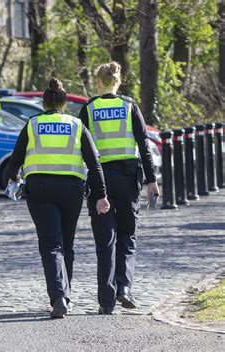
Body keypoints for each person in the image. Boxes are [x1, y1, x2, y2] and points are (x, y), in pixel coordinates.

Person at [7, 78, 110, 318]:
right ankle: (66, 295)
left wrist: (14, 179)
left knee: (50, 244)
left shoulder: (33, 124)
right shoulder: (76, 124)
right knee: (67, 243)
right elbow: (94, 164)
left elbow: (15, 159)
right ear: (64, 103)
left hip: (40, 188)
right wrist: (101, 194)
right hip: (71, 189)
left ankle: (58, 296)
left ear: (43, 102)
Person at [78, 62, 160, 315]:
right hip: (126, 179)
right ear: (118, 80)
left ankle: (106, 300)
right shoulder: (129, 106)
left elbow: (79, 147)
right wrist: (151, 180)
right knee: (127, 235)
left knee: (105, 238)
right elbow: (144, 146)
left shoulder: (89, 109)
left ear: (99, 82)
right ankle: (125, 288)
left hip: (99, 180)